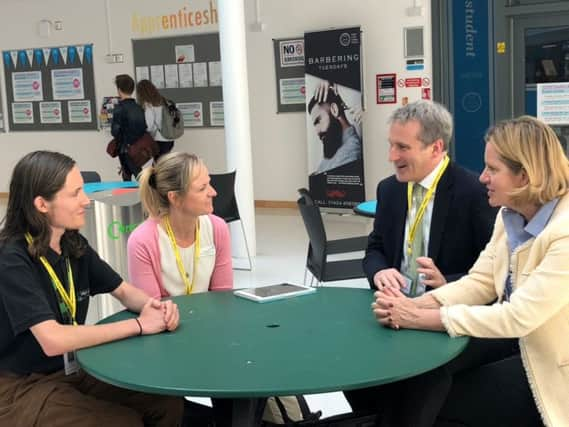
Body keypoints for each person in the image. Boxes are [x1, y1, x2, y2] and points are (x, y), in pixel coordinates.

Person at [371, 115, 568, 426]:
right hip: (520, 340)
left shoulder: (564, 232)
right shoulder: (509, 216)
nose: (482, 178)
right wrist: (411, 306)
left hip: (554, 364)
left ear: (526, 177)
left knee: (439, 398)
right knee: (422, 376)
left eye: (493, 169)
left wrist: (416, 317)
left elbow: (517, 317)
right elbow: (480, 282)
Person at [0, 151, 184, 426]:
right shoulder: (11, 258)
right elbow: (53, 340)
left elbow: (123, 291)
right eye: (75, 194)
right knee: (120, 421)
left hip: (72, 370)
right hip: (19, 384)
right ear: (41, 204)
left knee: (166, 402)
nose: (86, 201)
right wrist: (140, 325)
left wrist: (154, 307)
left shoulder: (72, 244)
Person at [362, 100, 497, 294]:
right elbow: (376, 248)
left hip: (444, 312)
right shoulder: (389, 190)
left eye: (402, 147)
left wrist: (447, 283)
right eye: (391, 145)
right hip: (393, 306)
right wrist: (379, 271)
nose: (392, 156)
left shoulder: (475, 193)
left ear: (435, 148)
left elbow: (494, 269)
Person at [127, 152, 233, 298]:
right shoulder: (142, 241)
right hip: (165, 320)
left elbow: (223, 298)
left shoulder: (218, 229)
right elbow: (152, 309)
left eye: (209, 183)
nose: (213, 192)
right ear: (175, 198)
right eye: (202, 188)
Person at [308, 82, 362, 174]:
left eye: (318, 121)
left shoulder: (350, 152)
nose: (317, 131)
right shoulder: (335, 146)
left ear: (334, 110)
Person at [111, 74, 147, 181]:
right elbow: (144, 126)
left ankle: (143, 195)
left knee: (131, 175)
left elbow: (115, 131)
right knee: (137, 173)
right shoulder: (139, 107)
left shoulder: (119, 108)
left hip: (125, 148)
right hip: (139, 147)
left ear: (119, 90)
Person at [136, 79, 175, 161]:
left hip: (158, 141)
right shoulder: (164, 101)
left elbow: (149, 126)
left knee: (159, 167)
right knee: (163, 164)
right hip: (170, 139)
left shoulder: (149, 105)